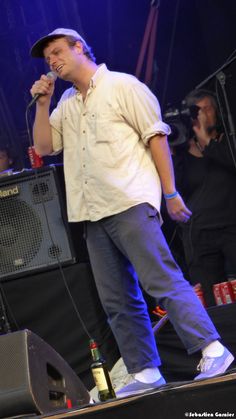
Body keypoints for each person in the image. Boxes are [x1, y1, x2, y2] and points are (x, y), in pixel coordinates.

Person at [29, 28, 234, 397]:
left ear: (79, 48)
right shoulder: (66, 106)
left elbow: (156, 137)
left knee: (160, 279)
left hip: (130, 201)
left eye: (57, 52)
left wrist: (170, 192)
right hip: (91, 213)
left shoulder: (123, 86)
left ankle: (214, 350)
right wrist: (43, 104)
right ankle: (144, 370)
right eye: (48, 59)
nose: (53, 62)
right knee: (116, 300)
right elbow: (44, 146)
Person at [173, 89, 236, 307]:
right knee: (210, 298)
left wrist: (208, 143)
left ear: (216, 111)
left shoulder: (228, 140)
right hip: (199, 233)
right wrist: (172, 151)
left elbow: (232, 163)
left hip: (231, 226)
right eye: (196, 110)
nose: (202, 115)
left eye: (207, 109)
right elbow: (175, 187)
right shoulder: (183, 151)